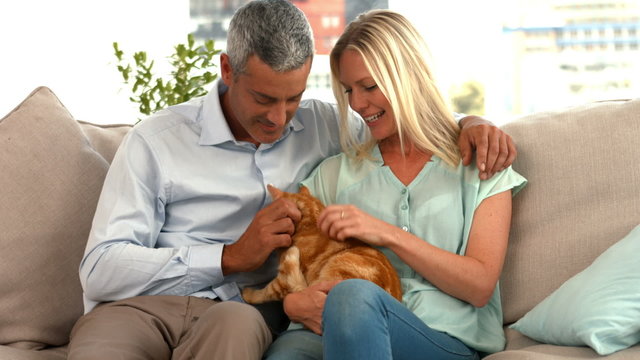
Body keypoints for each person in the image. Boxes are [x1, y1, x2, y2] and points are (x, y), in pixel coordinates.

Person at [68, 1, 517, 359]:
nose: (280, 118)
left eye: (294, 99)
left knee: (251, 325)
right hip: (141, 306)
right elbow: (99, 271)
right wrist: (230, 257)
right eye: (264, 98)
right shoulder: (156, 141)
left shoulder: (324, 128)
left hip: (234, 313)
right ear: (227, 70)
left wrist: (472, 123)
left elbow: (411, 122)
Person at [265, 9, 527, 360]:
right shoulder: (330, 177)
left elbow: (479, 287)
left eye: (369, 86)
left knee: (353, 296)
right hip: (329, 334)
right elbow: (296, 266)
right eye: (348, 90)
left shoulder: (481, 164)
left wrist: (386, 233)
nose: (357, 104)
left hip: (440, 339)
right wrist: (294, 303)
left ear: (407, 76)